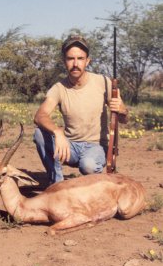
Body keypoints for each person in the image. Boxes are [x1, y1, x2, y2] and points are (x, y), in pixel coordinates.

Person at [33, 35, 129, 184]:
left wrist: (122, 110)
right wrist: (58, 132)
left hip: (96, 146)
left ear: (87, 61)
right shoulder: (59, 88)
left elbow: (123, 119)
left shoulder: (103, 82)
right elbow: (40, 115)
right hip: (70, 147)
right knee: (39, 134)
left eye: (80, 58)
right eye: (71, 59)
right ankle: (57, 185)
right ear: (64, 62)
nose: (75, 64)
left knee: (89, 165)